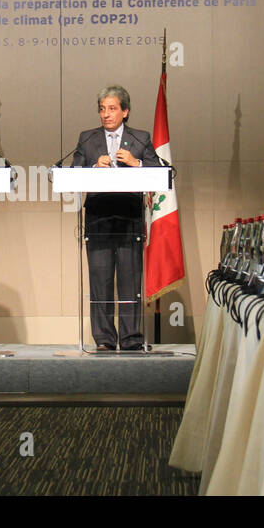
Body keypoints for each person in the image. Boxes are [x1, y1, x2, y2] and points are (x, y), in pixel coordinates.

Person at [72, 85, 160, 351]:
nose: (106, 114)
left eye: (112, 109)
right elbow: (74, 171)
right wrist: (92, 168)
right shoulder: (87, 139)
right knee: (100, 283)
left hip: (129, 218)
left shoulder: (140, 138)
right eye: (102, 109)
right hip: (98, 218)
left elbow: (159, 172)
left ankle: (132, 339)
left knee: (129, 281)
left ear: (125, 111)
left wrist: (137, 164)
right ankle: (105, 341)